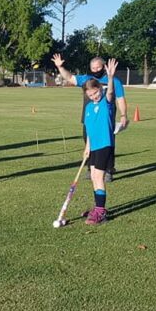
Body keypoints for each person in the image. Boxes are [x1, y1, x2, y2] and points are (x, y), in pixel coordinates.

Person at [52, 54, 128, 181]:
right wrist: (60, 67)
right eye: (93, 68)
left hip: (106, 121)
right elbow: (70, 77)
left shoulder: (114, 81)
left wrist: (123, 115)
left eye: (98, 67)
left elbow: (120, 98)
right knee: (88, 143)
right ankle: (91, 168)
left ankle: (108, 170)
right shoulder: (86, 79)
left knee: (107, 145)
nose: (96, 70)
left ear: (104, 66)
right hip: (89, 120)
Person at [81, 58, 118, 225]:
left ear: (99, 89)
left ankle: (101, 212)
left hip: (105, 145)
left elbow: (110, 93)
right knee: (94, 177)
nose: (94, 96)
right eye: (90, 95)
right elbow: (89, 130)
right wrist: (87, 147)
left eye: (96, 93)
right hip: (94, 146)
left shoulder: (106, 103)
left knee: (98, 177)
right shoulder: (89, 108)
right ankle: (97, 207)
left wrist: (110, 78)